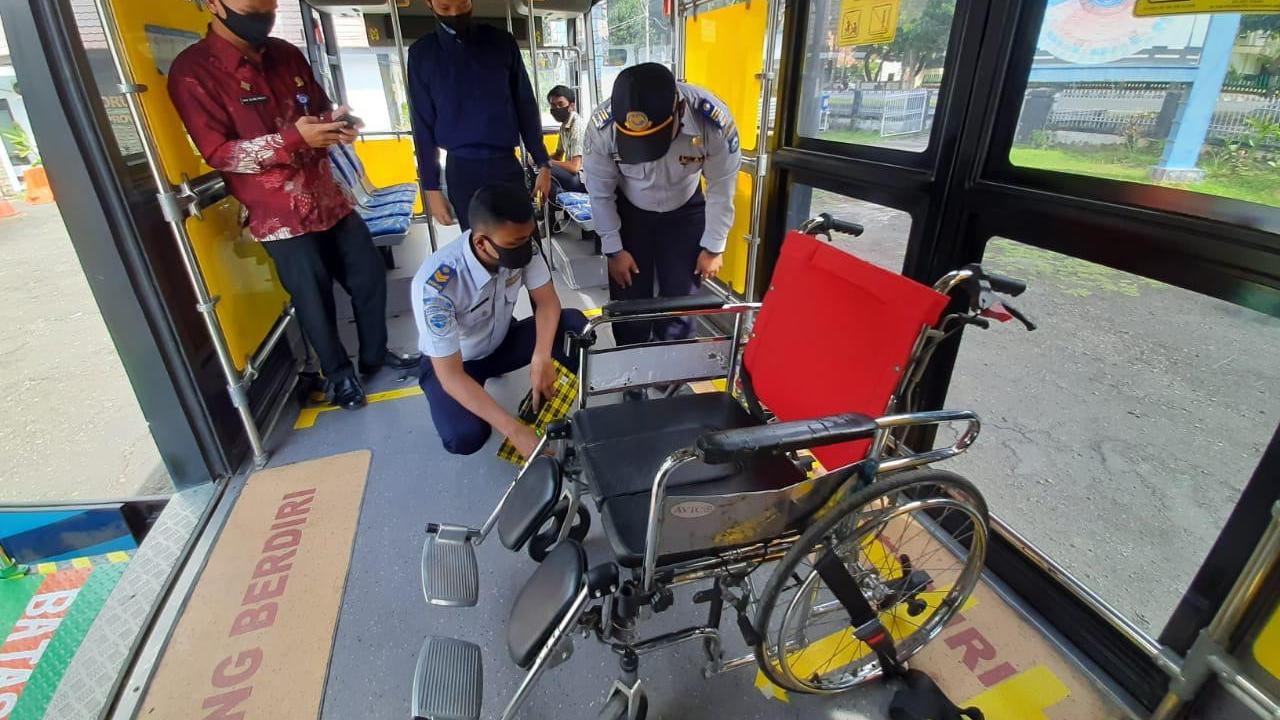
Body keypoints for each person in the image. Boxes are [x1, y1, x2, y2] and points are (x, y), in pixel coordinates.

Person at [167, 0, 418, 410]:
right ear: (215, 4)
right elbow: (220, 154)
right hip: (279, 215)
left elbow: (315, 109)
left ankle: (375, 358)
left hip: (329, 199)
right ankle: (339, 378)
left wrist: (336, 123)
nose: (264, 9)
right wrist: (294, 140)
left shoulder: (285, 53)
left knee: (369, 277)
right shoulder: (194, 71)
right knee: (313, 298)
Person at [413, 184, 587, 457]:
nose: (524, 248)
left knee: (574, 326)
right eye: (514, 243)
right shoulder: (437, 285)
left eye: (528, 236)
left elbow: (547, 302)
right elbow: (451, 375)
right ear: (481, 242)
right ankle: (513, 425)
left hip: (500, 341)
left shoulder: (520, 243)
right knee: (465, 436)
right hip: (458, 362)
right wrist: (514, 431)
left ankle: (540, 407)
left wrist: (541, 355)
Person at [582, 63, 741, 347]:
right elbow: (600, 194)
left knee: (682, 300)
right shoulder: (602, 127)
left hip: (685, 210)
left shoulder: (712, 122)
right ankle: (632, 369)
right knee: (629, 298)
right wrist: (614, 250)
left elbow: (721, 189)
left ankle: (672, 374)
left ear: (679, 111)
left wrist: (714, 246)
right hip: (629, 211)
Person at [407, 0, 552, 232]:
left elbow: (525, 106)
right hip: (461, 169)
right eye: (445, 8)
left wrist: (543, 163)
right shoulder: (422, 55)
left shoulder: (502, 43)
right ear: (429, 3)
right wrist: (431, 188)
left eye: (462, 4)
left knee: (521, 240)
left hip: (504, 163)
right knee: (478, 246)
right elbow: (422, 125)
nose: (455, 13)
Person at [547, 85, 587, 193]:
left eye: (560, 104)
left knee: (546, 170)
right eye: (553, 105)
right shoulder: (564, 126)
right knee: (540, 169)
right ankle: (553, 205)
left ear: (571, 106)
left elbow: (575, 167)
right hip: (573, 176)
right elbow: (558, 155)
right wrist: (540, 158)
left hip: (583, 179)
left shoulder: (577, 125)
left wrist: (548, 162)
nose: (557, 109)